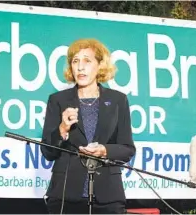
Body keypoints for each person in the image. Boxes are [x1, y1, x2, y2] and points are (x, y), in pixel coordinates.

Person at [40, 38, 136, 214]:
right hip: (66, 196)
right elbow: (48, 152)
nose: (80, 67)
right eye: (75, 61)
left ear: (100, 65)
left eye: (87, 60)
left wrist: (104, 150)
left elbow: (127, 149)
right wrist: (62, 128)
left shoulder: (118, 100)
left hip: (107, 197)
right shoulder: (58, 100)